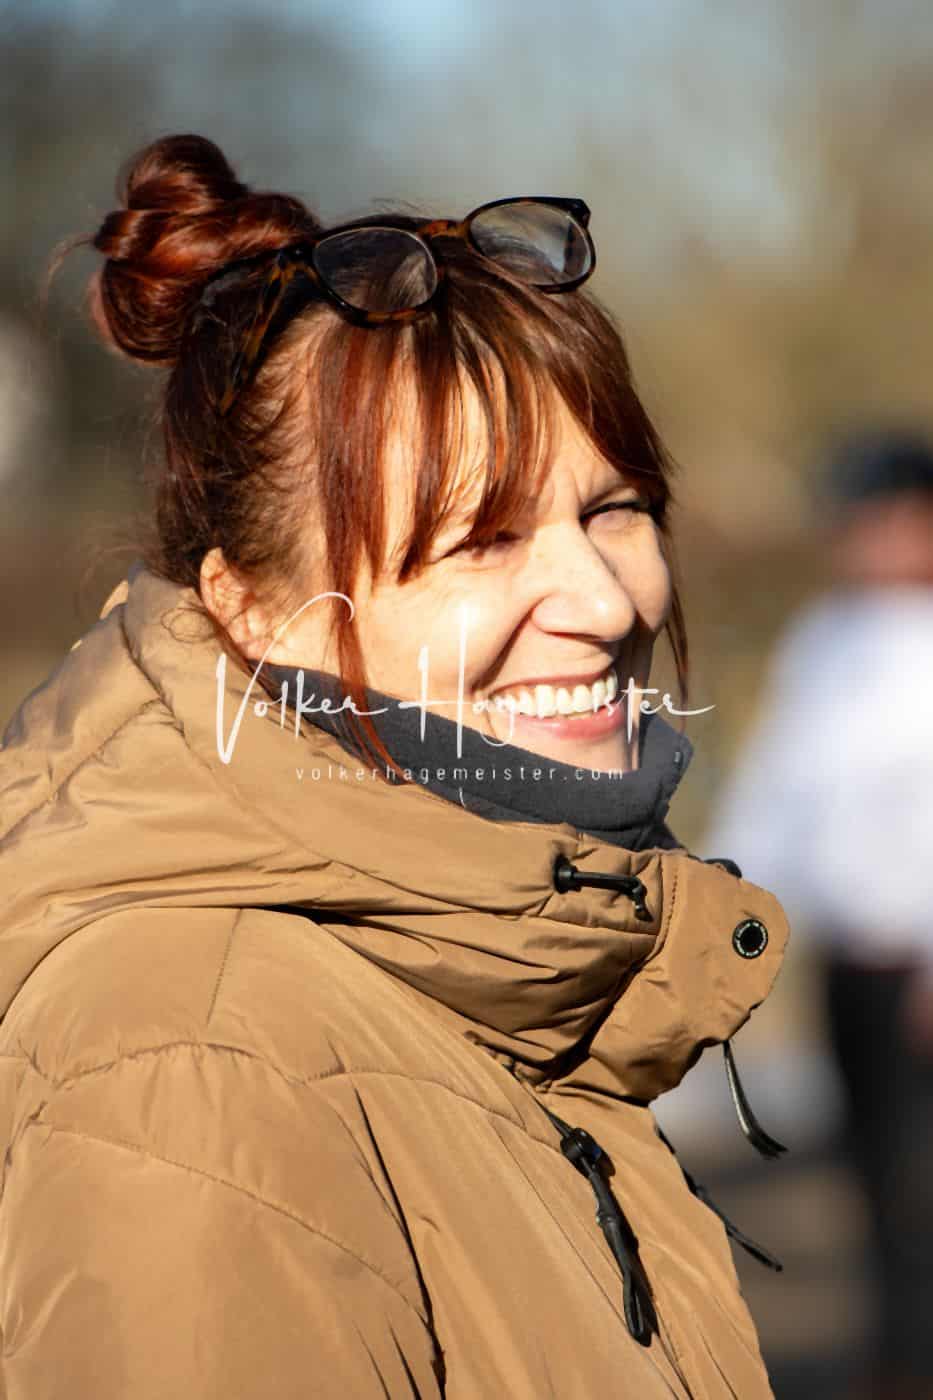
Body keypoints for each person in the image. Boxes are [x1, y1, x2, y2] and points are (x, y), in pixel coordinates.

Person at [0, 133, 790, 1398]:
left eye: (615, 508)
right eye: (484, 539)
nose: (604, 599)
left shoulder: (477, 953)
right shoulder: (196, 1068)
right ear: (255, 610)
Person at [703, 432, 933, 1400]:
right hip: (854, 961)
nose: (878, 542)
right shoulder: (825, 642)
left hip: (924, 963)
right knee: (876, 1175)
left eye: (899, 521)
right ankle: (900, 1355)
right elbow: (781, 788)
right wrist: (723, 906)